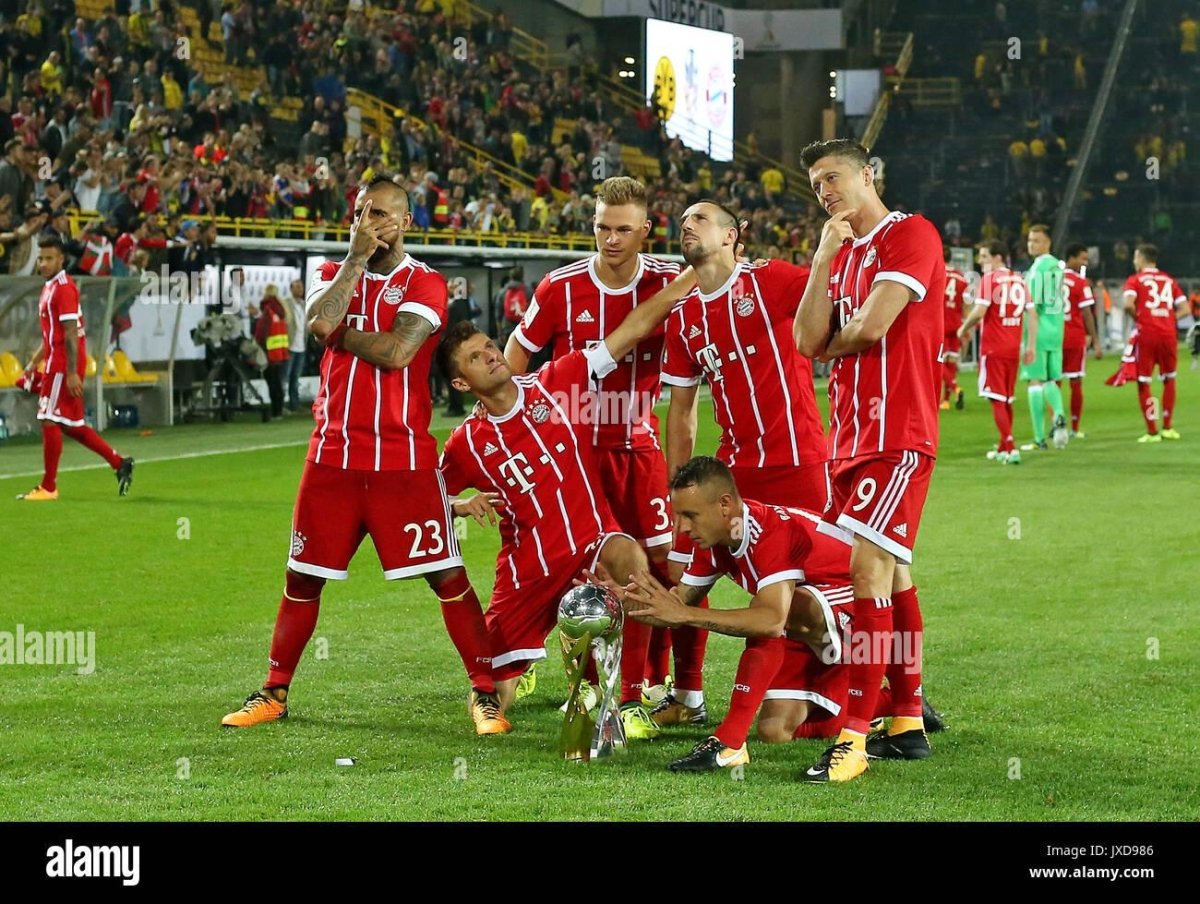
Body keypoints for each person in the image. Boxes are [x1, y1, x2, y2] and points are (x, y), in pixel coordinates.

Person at [222, 177, 507, 737]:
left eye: (380, 213)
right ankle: (275, 690)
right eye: (359, 212)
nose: (368, 221)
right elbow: (317, 323)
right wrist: (352, 265)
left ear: (405, 222)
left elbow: (399, 352)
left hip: (402, 460)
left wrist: (339, 332)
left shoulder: (425, 282)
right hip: (331, 458)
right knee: (301, 577)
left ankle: (485, 694)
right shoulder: (331, 272)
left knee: (446, 575)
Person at [437, 264, 699, 714]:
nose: (492, 355)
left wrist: (688, 281)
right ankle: (534, 671)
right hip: (529, 572)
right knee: (492, 694)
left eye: (490, 346)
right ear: (462, 383)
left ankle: (631, 699)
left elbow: (630, 330)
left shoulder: (558, 381)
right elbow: (420, 494)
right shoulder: (465, 443)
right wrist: (461, 504)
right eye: (477, 358)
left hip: (592, 542)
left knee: (633, 562)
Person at [503, 176, 682, 739]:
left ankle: (653, 684)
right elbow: (514, 362)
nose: (610, 239)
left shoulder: (667, 285)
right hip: (574, 455)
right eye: (602, 227)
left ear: (645, 230)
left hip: (638, 448)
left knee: (663, 568)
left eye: (623, 229)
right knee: (583, 572)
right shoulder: (559, 287)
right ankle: (586, 684)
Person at [793, 139, 946, 782]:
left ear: (867, 174)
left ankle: (854, 737)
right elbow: (806, 339)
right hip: (851, 440)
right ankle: (907, 720)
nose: (825, 191)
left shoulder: (911, 233)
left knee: (867, 573)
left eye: (834, 177)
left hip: (898, 434)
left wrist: (832, 342)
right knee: (896, 576)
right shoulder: (846, 253)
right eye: (816, 184)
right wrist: (824, 256)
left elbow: (872, 327)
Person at [657, 199, 830, 734]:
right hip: (735, 475)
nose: (687, 226)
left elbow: (835, 302)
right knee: (686, 573)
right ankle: (686, 694)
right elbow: (681, 413)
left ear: (736, 235)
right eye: (682, 222)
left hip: (800, 460)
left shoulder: (773, 280)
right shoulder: (683, 318)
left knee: (826, 586)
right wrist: (678, 491)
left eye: (701, 219)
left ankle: (893, 686)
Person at [619, 457, 854, 773]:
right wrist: (625, 601)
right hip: (808, 630)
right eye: (680, 517)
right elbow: (675, 606)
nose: (684, 527)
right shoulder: (714, 540)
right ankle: (883, 703)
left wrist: (687, 614)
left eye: (691, 516)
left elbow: (770, 621)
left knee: (771, 612)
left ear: (725, 505)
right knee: (774, 731)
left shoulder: (770, 532)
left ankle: (728, 743)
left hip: (853, 612)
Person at [16, 235, 134, 502]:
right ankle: (119, 462)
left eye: (49, 258)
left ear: (61, 259)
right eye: (41, 258)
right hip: (57, 359)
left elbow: (70, 334)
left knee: (48, 418)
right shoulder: (50, 287)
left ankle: (48, 487)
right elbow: (53, 335)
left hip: (62, 364)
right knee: (71, 425)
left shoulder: (63, 288)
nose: (43, 263)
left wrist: (70, 373)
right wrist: (33, 363)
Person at [959, 242, 1037, 463]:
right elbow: (1032, 315)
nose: (981, 262)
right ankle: (1004, 446)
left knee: (996, 399)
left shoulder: (990, 280)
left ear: (997, 257)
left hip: (993, 348)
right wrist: (1030, 345)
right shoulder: (1020, 280)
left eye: (984, 257)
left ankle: (1011, 447)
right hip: (1013, 348)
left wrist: (963, 328)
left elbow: (979, 312)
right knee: (1006, 399)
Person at [1122, 244, 1188, 442]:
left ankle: (1152, 431)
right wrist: (1167, 319)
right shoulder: (1169, 280)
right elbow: (1184, 308)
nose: (1134, 262)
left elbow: (1127, 305)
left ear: (1142, 259)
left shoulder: (1135, 280)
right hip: (1168, 334)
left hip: (1147, 334)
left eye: (1135, 257)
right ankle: (1168, 427)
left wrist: (1141, 319)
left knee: (1144, 381)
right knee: (1169, 378)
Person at [1020, 225, 1069, 451]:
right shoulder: (1058, 267)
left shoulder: (1038, 267)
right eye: (1030, 240)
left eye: (1037, 240)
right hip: (1056, 329)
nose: (1032, 244)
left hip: (1038, 331)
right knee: (1050, 380)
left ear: (1048, 243)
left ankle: (1039, 438)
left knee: (1035, 381)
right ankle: (1058, 415)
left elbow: (1032, 304)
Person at [1060, 243, 1102, 437]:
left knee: (1054, 382)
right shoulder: (1080, 282)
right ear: (1071, 258)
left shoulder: (1051, 277)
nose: (1085, 263)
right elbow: (1087, 314)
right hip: (1075, 338)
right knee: (1075, 382)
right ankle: (1075, 428)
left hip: (1054, 337)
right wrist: (1095, 340)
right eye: (1082, 259)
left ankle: (1056, 425)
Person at [941, 245, 971, 410]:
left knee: (938, 362)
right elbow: (966, 304)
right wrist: (966, 326)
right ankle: (945, 401)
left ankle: (955, 388)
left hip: (940, 323)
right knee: (951, 362)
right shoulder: (961, 277)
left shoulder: (936, 273)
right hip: (956, 324)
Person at [254, 283, 288, 419]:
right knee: (278, 383)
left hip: (269, 353)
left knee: (272, 384)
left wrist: (257, 343)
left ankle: (276, 411)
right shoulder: (281, 309)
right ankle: (279, 410)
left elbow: (262, 333)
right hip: (280, 352)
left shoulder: (268, 309)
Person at [284, 279, 308, 413]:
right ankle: (281, 404)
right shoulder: (286, 303)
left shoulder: (304, 304)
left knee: (295, 378)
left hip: (301, 346)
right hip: (290, 345)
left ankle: (294, 404)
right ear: (291, 289)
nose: (300, 289)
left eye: (301, 287)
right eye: (297, 287)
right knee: (285, 377)